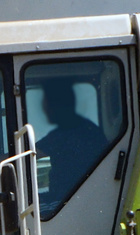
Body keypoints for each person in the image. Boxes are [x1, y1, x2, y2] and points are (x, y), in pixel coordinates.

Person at [35, 77, 107, 212]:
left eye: (47, 104)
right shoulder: (85, 128)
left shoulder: (70, 131)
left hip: (70, 201)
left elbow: (26, 154)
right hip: (80, 197)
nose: (45, 110)